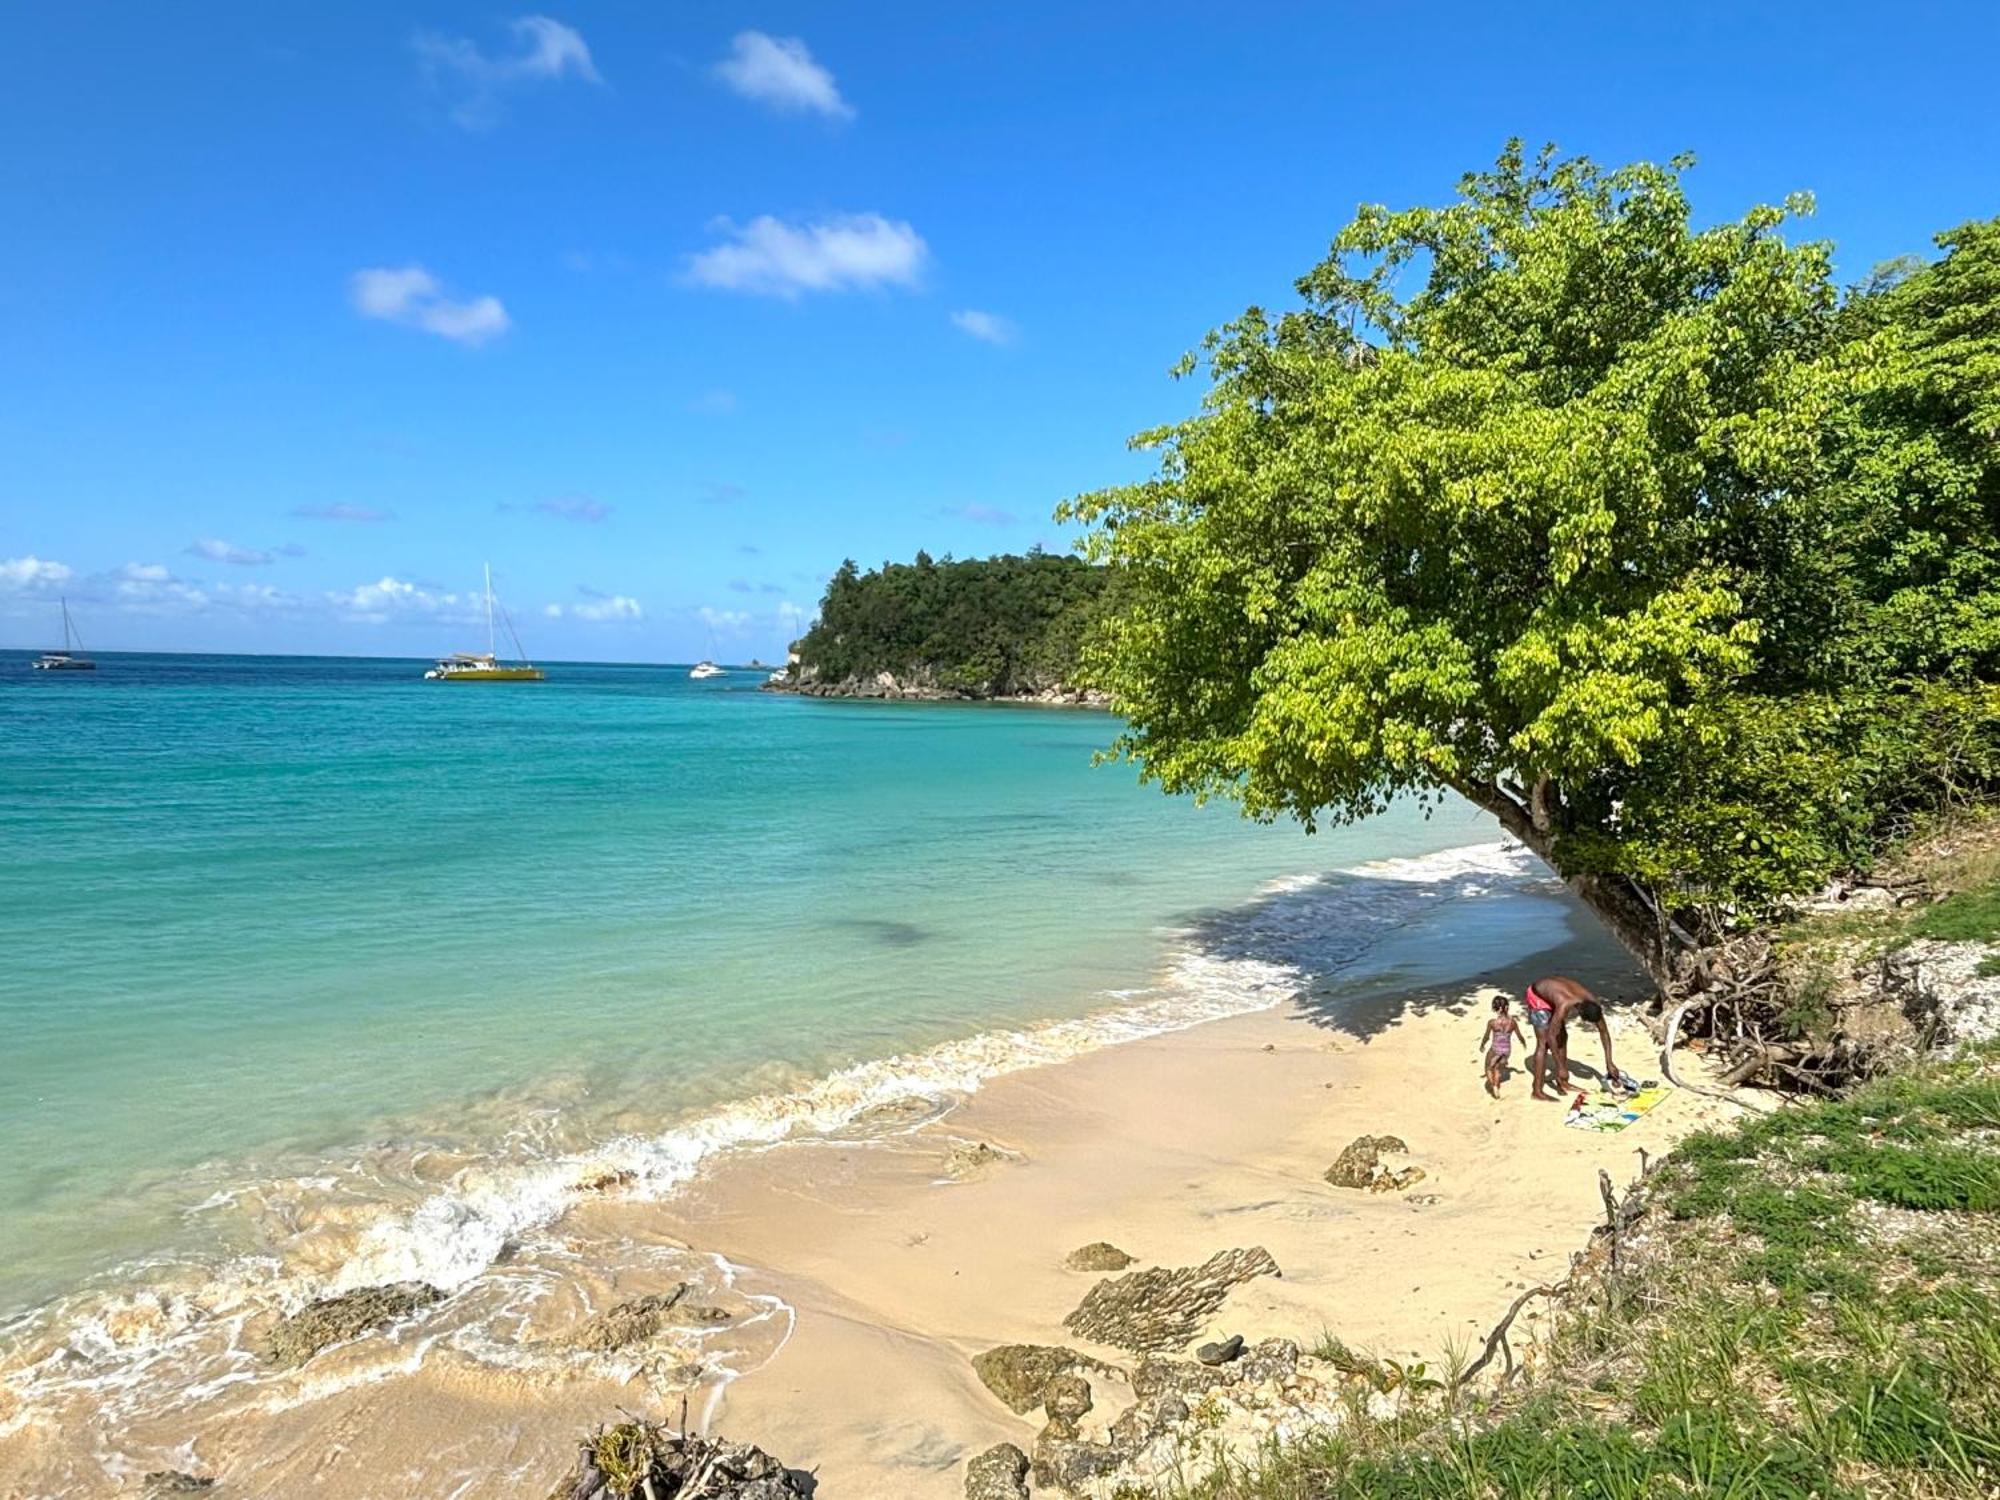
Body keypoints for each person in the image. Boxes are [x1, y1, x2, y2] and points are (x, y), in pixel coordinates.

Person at [1526, 976, 1625, 1102]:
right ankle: (1537, 1091)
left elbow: (1604, 1032)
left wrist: (1609, 1062)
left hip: (1554, 992)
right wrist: (1560, 1066)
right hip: (1538, 996)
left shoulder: (1593, 1003)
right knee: (1543, 1043)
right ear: (1581, 1013)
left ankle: (1563, 1083)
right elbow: (1551, 1036)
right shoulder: (1564, 1005)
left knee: (1563, 1037)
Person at [1479, 993, 1526, 1098]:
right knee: (1497, 1068)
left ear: (1495, 1009)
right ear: (1507, 1007)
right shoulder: (1512, 1022)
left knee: (1488, 1067)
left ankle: (1494, 1086)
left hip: (1495, 1049)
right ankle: (1496, 1085)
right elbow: (1520, 1036)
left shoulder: (1492, 1022)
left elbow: (1486, 1036)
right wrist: (1524, 1043)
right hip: (1507, 1050)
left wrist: (1482, 1045)